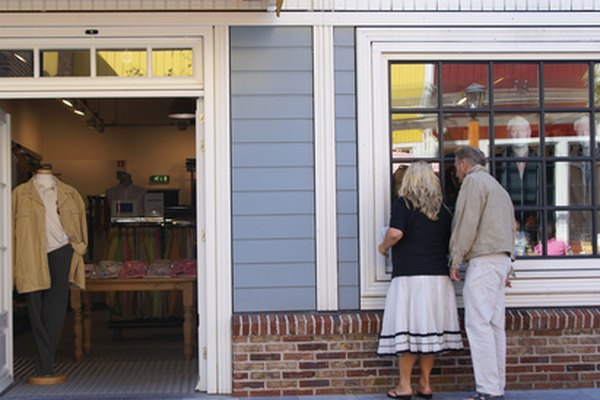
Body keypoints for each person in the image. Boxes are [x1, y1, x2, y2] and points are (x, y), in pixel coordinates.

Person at [377, 161, 463, 400]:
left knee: (408, 331)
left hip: (410, 276)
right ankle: (425, 383)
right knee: (429, 331)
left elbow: (395, 233)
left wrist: (383, 247)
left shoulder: (403, 203)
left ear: (409, 180)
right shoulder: (444, 209)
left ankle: (404, 385)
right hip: (437, 277)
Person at [449, 146, 515, 400]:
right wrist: (509, 262)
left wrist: (456, 258)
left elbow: (467, 222)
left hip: (483, 261)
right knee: (495, 325)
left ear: (464, 163)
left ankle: (487, 390)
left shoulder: (474, 182)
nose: (456, 171)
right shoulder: (497, 187)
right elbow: (510, 225)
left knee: (478, 324)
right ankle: (496, 386)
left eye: (456, 166)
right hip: (501, 261)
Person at [12, 164, 88, 384]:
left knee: (55, 307)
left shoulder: (70, 193)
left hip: (61, 252)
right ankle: (44, 362)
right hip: (29, 254)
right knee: (34, 307)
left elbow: (80, 227)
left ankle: (46, 363)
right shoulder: (19, 194)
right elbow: (8, 230)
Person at [497, 115, 543, 254]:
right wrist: (509, 217)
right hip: (507, 221)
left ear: (529, 133)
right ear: (509, 135)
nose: (518, 135)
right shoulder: (499, 161)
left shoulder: (541, 161)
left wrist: (538, 216)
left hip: (535, 220)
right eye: (514, 131)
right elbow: (496, 195)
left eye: (522, 131)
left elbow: (548, 191)